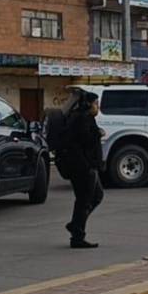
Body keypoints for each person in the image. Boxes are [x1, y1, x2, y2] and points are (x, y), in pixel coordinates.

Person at [50, 88, 105, 249]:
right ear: (88, 104)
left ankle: (76, 225)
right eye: (96, 104)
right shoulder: (81, 119)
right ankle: (77, 236)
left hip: (87, 166)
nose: (98, 107)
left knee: (96, 197)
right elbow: (84, 141)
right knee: (84, 200)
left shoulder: (83, 118)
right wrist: (98, 134)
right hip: (82, 168)